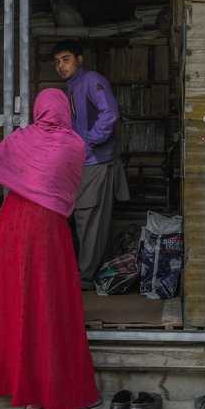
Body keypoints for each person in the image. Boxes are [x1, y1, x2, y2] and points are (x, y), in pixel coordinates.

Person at [0, 89, 101, 409]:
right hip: (47, 227)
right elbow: (66, 187)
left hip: (12, 222)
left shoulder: (20, 139)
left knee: (18, 302)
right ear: (66, 110)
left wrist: (20, 176)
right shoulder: (74, 144)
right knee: (50, 304)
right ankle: (61, 394)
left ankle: (28, 394)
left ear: (37, 110)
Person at [52, 39, 130, 290]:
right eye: (57, 62)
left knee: (90, 219)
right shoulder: (72, 87)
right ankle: (90, 275)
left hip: (96, 161)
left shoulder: (91, 80)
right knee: (86, 219)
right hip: (83, 162)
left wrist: (88, 142)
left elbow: (110, 113)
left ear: (79, 59)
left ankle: (84, 278)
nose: (61, 66)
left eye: (66, 59)